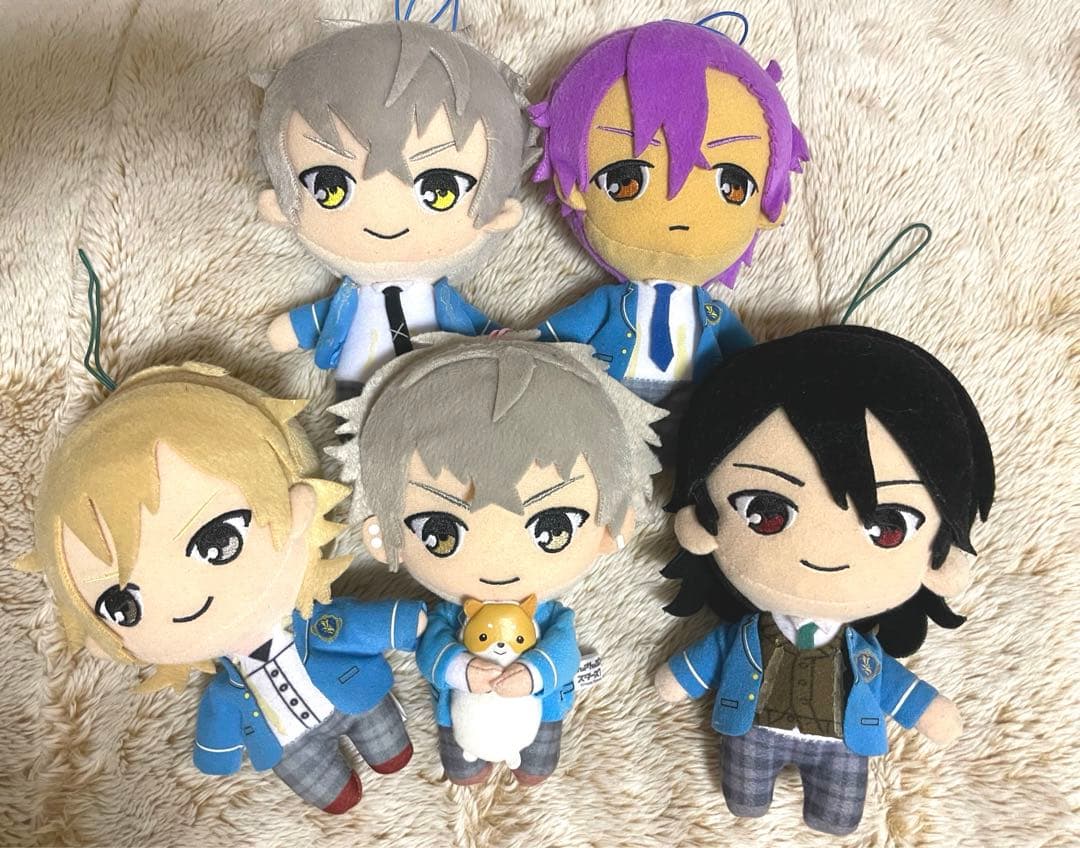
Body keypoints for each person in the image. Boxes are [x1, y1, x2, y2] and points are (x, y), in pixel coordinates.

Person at [16, 363, 426, 814]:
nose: (182, 600)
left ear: (296, 507)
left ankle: (387, 750)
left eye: (218, 542)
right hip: (287, 746)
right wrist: (217, 754)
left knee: (393, 753)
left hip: (356, 694)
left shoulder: (317, 625)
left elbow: (352, 623)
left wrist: (406, 624)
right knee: (334, 796)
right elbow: (220, 714)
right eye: (122, 606)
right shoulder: (227, 688)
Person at [654, 325, 995, 835]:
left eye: (888, 526)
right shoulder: (743, 636)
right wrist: (678, 679)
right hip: (752, 730)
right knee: (744, 801)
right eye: (765, 512)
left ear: (939, 563)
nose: (822, 553)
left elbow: (895, 686)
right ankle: (750, 797)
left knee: (838, 818)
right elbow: (701, 662)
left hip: (843, 744)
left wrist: (928, 710)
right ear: (701, 525)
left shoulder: (863, 654)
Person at [332, 335, 661, 784]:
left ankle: (531, 763)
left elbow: (563, 653)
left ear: (614, 527)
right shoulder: (448, 617)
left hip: (542, 711)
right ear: (382, 536)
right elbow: (432, 653)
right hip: (458, 718)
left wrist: (534, 673)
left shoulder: (552, 618)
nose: (498, 564)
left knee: (539, 764)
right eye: (441, 533)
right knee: (461, 768)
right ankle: (468, 763)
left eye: (554, 528)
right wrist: (462, 669)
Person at [259, 22, 533, 402]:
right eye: (331, 187)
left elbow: (478, 328)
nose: (384, 219)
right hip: (356, 389)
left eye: (440, 190)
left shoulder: (442, 301)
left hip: (437, 391)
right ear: (280, 207)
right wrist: (296, 326)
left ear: (500, 213)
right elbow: (317, 320)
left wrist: (499, 338)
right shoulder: (352, 298)